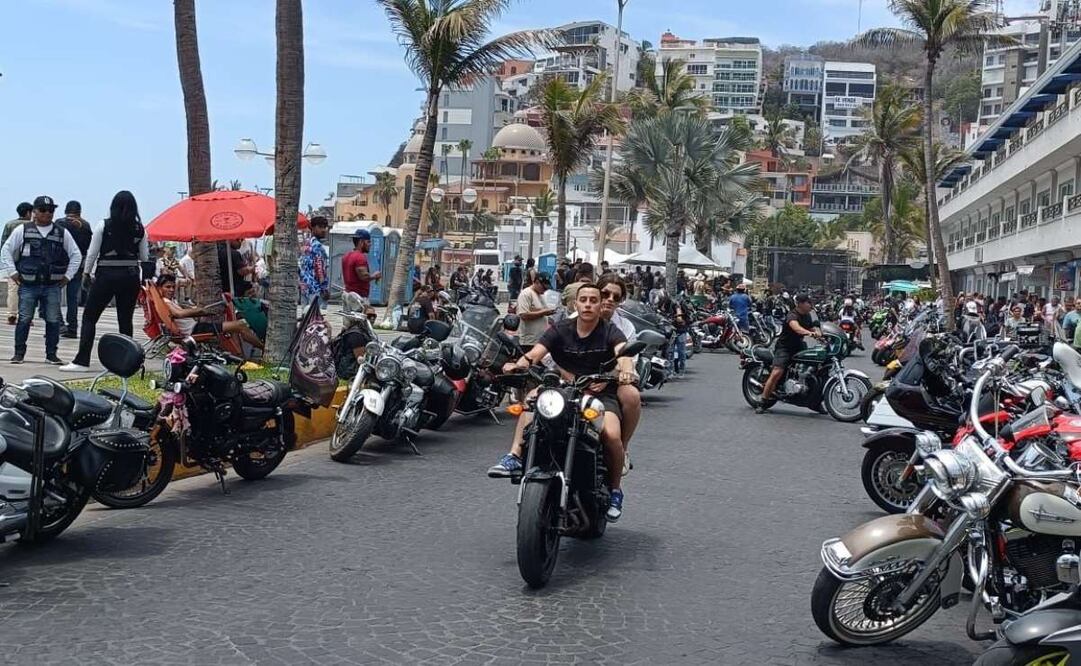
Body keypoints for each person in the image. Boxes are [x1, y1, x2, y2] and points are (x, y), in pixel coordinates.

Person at [488, 283, 636, 521]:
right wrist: (518, 364)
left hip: (599, 394)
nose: (588, 304)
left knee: (611, 435)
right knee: (533, 401)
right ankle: (514, 456)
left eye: (593, 300)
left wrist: (626, 370)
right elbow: (535, 353)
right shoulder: (561, 329)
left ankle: (616, 490)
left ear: (600, 306)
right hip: (563, 388)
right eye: (583, 300)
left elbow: (623, 353)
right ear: (575, 303)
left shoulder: (609, 331)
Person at [60, 191, 149, 371]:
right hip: (130, 276)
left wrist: (86, 273)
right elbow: (144, 256)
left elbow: (92, 253)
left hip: (106, 275)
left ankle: (82, 361)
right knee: (125, 320)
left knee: (90, 317)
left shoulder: (104, 225)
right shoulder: (140, 229)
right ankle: (127, 362)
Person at [1, 195, 82, 365]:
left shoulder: (61, 232)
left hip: (52, 285)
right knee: (24, 318)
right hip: (28, 284)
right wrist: (12, 272)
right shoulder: (23, 230)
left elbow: (76, 255)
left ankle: (51, 354)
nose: (47, 213)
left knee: (53, 320)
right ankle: (19, 353)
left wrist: (68, 276)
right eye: (43, 210)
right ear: (34, 212)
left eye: (51, 210)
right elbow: (6, 250)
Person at [156, 275, 264, 351]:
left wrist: (198, 310)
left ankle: (245, 351)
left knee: (238, 326)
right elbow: (179, 314)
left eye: (173, 287)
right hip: (195, 330)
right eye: (167, 287)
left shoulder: (168, 301)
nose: (171, 290)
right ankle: (264, 349)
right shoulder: (165, 302)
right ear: (160, 288)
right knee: (241, 325)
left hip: (196, 327)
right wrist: (200, 311)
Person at [757, 294, 821, 414]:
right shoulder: (792, 315)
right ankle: (763, 401)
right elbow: (797, 328)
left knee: (815, 367)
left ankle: (814, 402)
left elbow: (812, 328)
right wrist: (810, 333)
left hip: (799, 346)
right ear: (800, 304)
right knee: (777, 372)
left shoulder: (807, 316)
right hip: (785, 348)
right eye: (808, 302)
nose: (810, 305)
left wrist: (820, 334)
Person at [56, 200, 92, 339]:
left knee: (54, 296)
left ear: (66, 211)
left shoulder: (59, 223)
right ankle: (72, 328)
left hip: (60, 264)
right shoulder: (86, 225)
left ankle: (58, 325)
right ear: (79, 212)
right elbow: (89, 246)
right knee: (72, 298)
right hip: (77, 264)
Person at [3, 202, 32, 326]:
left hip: (12, 261)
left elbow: (3, 244)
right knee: (28, 290)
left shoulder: (9, 225)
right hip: (29, 263)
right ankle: (26, 316)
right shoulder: (33, 226)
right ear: (28, 213)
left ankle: (12, 314)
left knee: (13, 289)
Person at [517, 271, 555, 350]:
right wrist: (543, 312)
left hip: (540, 340)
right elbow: (524, 315)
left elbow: (542, 310)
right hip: (529, 342)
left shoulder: (541, 295)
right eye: (544, 288)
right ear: (537, 282)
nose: (545, 290)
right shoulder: (526, 294)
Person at [341, 228, 380, 298]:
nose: (370, 244)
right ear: (361, 242)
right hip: (358, 298)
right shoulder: (359, 257)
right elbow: (364, 277)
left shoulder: (346, 256)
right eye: (368, 242)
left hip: (348, 295)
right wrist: (375, 276)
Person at [299, 216, 330, 306]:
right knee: (317, 314)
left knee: (306, 313)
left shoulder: (306, 244)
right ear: (312, 227)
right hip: (316, 290)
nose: (324, 230)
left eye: (325, 227)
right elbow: (320, 269)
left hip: (305, 288)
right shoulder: (318, 246)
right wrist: (324, 288)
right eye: (320, 227)